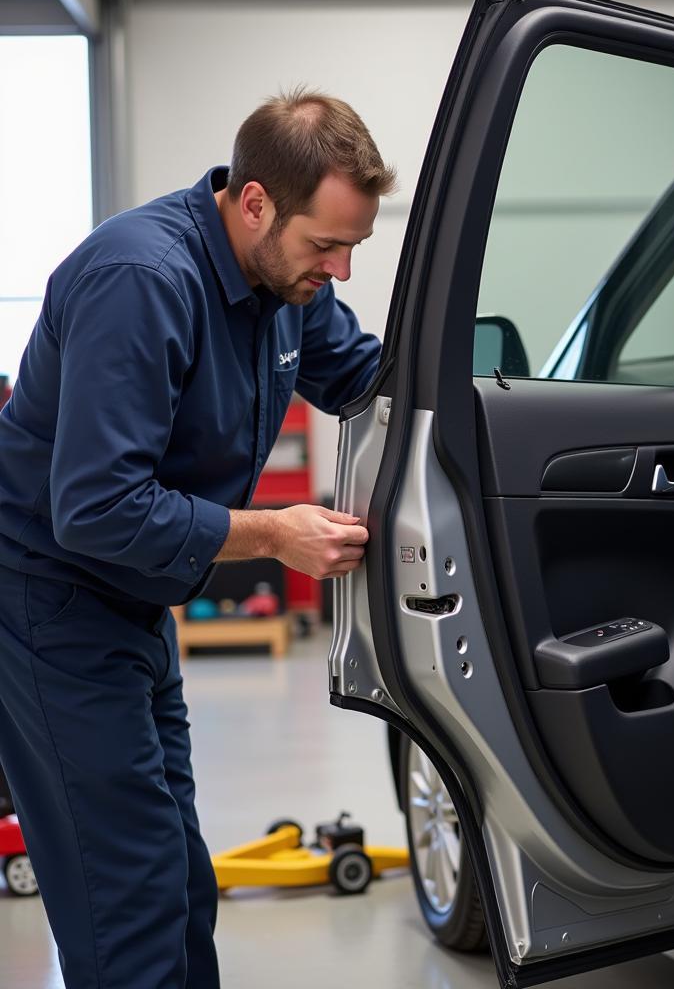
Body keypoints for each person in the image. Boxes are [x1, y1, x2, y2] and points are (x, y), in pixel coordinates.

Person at [0, 88, 395, 988]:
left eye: (351, 247)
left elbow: (363, 375)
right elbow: (95, 505)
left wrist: (491, 393)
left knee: (179, 883)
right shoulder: (143, 283)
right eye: (324, 245)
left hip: (137, 600)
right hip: (48, 602)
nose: (338, 271)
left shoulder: (280, 280)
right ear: (253, 201)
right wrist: (275, 536)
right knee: (126, 898)